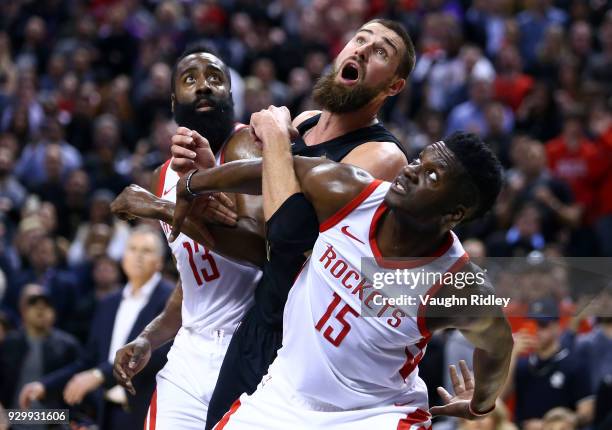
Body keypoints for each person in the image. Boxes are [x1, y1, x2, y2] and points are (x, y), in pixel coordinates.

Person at [114, 19, 413, 428]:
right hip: (258, 324)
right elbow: (252, 220)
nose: (362, 49)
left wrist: (169, 205)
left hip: (304, 343)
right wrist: (206, 180)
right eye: (360, 39)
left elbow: (283, 239)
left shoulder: (381, 157)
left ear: (393, 86)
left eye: (380, 51)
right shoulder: (305, 123)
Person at [169, 107, 513, 428]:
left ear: (454, 214)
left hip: (373, 415)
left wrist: (479, 404)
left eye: (431, 176)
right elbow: (274, 168)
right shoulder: (349, 192)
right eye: (419, 160)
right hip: (285, 392)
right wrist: (190, 185)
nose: (410, 171)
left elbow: (499, 346)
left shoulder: (456, 286)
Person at [112, 44, 263, 430]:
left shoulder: (245, 146)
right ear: (174, 98)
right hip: (188, 353)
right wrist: (148, 337)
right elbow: (194, 278)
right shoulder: (162, 176)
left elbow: (261, 251)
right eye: (190, 79)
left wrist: (160, 208)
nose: (203, 87)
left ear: (230, 93)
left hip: (247, 350)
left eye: (215, 78)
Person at [19, 226, 173, 429]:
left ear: (160, 261)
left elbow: (154, 354)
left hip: (147, 412)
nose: (138, 256)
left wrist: (99, 375)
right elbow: (89, 360)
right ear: (123, 257)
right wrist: (45, 385)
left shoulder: (170, 302)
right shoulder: (109, 302)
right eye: (133, 249)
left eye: (146, 251)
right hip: (106, 412)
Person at [0, 284, 81, 410]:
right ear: (23, 311)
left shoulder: (68, 345)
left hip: (54, 422)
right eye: (33, 304)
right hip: (11, 420)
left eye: (46, 305)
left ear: (54, 313)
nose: (40, 308)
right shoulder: (9, 343)